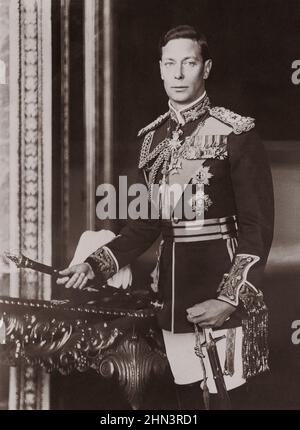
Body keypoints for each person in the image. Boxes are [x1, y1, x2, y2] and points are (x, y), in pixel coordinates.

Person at [57, 25, 274, 410]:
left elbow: (257, 228)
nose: (177, 74)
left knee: (229, 401)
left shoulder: (235, 133)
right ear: (160, 69)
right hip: (173, 298)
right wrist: (95, 265)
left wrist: (229, 298)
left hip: (222, 290)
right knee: (187, 401)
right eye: (170, 64)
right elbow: (145, 224)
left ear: (205, 68)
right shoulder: (152, 140)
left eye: (188, 63)